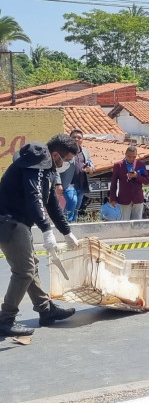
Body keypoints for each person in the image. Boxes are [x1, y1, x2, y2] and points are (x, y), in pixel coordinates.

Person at [0, 134, 81, 336]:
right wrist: (46, 229)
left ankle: (46, 311)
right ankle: (5, 319)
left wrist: (66, 232)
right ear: (55, 155)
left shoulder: (47, 169)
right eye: (68, 159)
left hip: (18, 221)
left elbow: (51, 202)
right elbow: (34, 197)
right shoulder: (36, 161)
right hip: (8, 220)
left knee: (31, 267)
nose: (68, 164)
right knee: (24, 270)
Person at [109, 146, 149, 220]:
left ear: (136, 155)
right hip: (124, 198)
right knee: (124, 224)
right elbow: (113, 183)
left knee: (137, 225)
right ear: (125, 154)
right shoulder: (118, 165)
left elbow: (147, 181)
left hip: (138, 199)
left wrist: (137, 176)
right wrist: (113, 198)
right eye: (129, 156)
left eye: (133, 157)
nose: (131, 159)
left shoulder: (140, 164)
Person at [69, 129, 94, 223]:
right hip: (69, 184)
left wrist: (89, 169)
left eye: (79, 137)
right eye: (74, 137)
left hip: (81, 185)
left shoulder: (85, 151)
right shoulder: (65, 151)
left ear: (82, 140)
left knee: (77, 208)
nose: (76, 139)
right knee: (72, 203)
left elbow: (91, 164)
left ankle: (73, 225)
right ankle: (66, 225)